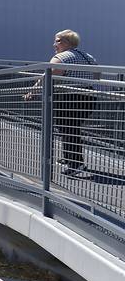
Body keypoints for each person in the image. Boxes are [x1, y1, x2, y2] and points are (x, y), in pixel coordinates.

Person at [25, 29, 98, 176]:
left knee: (68, 129)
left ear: (67, 42)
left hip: (69, 99)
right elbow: (96, 76)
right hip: (88, 98)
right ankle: (69, 157)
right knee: (72, 128)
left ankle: (76, 164)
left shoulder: (61, 57)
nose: (54, 44)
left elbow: (47, 77)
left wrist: (32, 92)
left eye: (57, 41)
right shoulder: (89, 57)